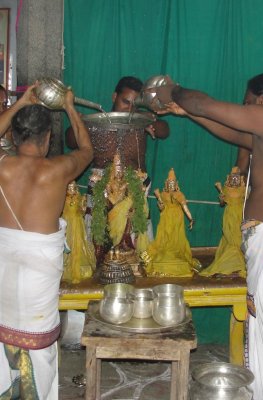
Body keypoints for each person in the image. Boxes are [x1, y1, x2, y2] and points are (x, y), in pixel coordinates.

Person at [152, 72, 263, 400]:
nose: (244, 109)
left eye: (246, 103)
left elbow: (207, 104)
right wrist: (186, 112)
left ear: (261, 101)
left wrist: (170, 90)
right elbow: (229, 131)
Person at [0, 85, 93, 399]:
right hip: (39, 273)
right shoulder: (58, 170)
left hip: (5, 267)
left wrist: (20, 103)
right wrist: (68, 106)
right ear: (48, 138)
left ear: (13, 136)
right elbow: (87, 151)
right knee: (38, 345)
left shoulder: (3, 167)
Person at [66, 76, 169, 248]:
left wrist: (148, 120)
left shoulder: (138, 120)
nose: (130, 108)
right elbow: (69, 141)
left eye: (135, 105)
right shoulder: (97, 121)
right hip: (102, 188)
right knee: (97, 243)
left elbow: (164, 130)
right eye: (126, 102)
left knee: (136, 244)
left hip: (135, 188)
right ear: (114, 97)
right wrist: (80, 124)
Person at [142, 168, 200, 277]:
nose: (171, 185)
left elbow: (185, 207)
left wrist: (191, 218)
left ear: (176, 184)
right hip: (165, 218)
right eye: (169, 183)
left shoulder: (179, 194)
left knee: (175, 237)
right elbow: (161, 207)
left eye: (173, 183)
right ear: (166, 183)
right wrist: (160, 202)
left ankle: (175, 254)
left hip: (177, 218)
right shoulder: (163, 194)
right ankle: (164, 253)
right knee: (164, 237)